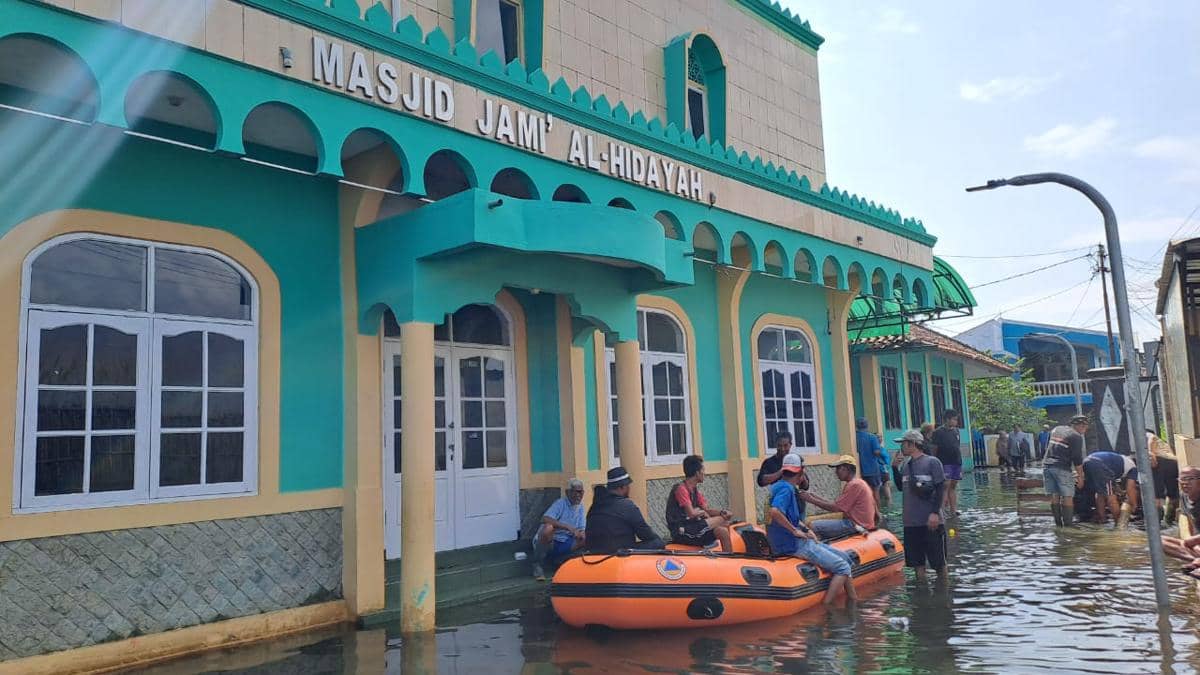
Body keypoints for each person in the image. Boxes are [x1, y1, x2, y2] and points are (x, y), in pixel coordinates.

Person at [767, 454, 857, 606]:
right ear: (801, 472)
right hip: (792, 544)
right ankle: (828, 608)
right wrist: (795, 531)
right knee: (843, 567)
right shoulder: (786, 489)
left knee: (845, 558)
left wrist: (804, 529)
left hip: (794, 540)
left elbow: (790, 517)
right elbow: (775, 512)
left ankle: (853, 599)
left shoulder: (777, 487)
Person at [896, 429, 947, 579]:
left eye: (903, 444)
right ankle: (921, 594)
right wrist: (894, 467)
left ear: (912, 444)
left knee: (939, 563)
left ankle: (942, 596)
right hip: (911, 523)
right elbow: (901, 487)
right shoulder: (906, 465)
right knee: (917, 564)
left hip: (930, 522)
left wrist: (934, 513)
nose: (901, 447)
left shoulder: (932, 462)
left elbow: (940, 489)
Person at [586, 467, 665, 553]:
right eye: (628, 486)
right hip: (619, 553)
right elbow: (646, 534)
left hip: (595, 552)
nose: (629, 489)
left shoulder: (594, 506)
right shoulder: (626, 505)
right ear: (622, 487)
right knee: (658, 543)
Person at [666, 455, 734, 551]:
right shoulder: (681, 489)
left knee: (722, 530)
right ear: (697, 473)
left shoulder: (695, 491)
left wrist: (722, 512)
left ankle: (729, 560)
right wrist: (701, 512)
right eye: (703, 470)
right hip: (682, 531)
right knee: (723, 521)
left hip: (694, 527)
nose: (704, 473)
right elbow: (692, 513)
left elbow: (707, 510)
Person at [800, 455, 877, 539]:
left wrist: (811, 499)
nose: (836, 472)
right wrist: (813, 496)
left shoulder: (854, 485)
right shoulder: (860, 482)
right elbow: (837, 505)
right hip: (860, 524)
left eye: (838, 468)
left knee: (812, 526)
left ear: (846, 469)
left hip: (855, 525)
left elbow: (836, 508)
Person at [531, 478, 587, 579]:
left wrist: (581, 533)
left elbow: (582, 528)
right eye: (576, 492)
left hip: (566, 541)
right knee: (548, 528)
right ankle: (537, 564)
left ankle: (560, 560)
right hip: (551, 542)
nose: (579, 495)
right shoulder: (560, 503)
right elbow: (545, 518)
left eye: (581, 492)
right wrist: (566, 527)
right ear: (568, 492)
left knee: (587, 537)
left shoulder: (581, 507)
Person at [1044, 415, 1088, 527]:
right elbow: (1077, 459)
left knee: (1054, 495)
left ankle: (1058, 524)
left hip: (1047, 466)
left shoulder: (1057, 429)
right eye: (1085, 427)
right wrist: (1080, 477)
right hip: (1061, 467)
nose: (1085, 430)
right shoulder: (1076, 437)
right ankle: (1068, 526)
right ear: (1081, 425)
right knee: (1068, 496)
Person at [1159, 467, 1200, 573]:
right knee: (1156, 541)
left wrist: (1193, 540)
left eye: (1190, 479)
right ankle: (1194, 560)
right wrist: (1191, 542)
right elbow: (1188, 521)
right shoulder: (1184, 496)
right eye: (1182, 479)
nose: (1185, 483)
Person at [1081, 451, 1138, 524]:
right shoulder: (1133, 467)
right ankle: (1119, 524)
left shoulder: (1121, 460)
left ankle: (1102, 519)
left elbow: (1111, 481)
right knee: (1111, 496)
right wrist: (1134, 504)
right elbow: (1130, 488)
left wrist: (1120, 491)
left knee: (1100, 493)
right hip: (1099, 464)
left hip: (1087, 461)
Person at [930, 411, 963, 516]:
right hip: (944, 462)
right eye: (954, 419)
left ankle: (953, 510)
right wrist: (935, 462)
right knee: (945, 486)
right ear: (947, 419)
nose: (956, 422)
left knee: (953, 486)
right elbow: (934, 449)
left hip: (956, 462)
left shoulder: (956, 431)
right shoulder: (938, 432)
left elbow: (957, 446)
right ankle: (942, 511)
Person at [855, 418, 886, 507]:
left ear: (857, 426)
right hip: (872, 469)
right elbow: (876, 452)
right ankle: (878, 513)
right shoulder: (872, 437)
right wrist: (880, 451)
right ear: (867, 426)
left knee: (865, 493)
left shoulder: (855, 437)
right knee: (875, 491)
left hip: (860, 469)